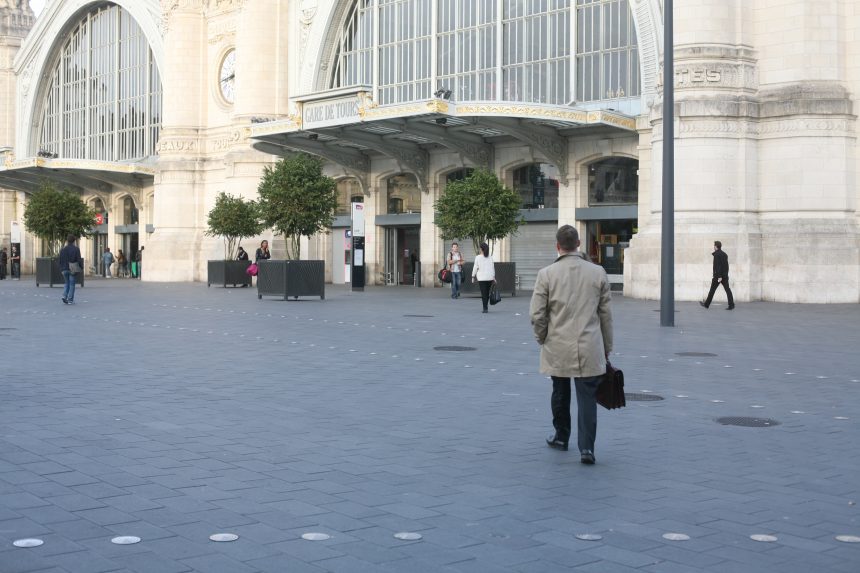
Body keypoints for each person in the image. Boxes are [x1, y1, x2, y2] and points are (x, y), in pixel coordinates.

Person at [530, 225, 613, 464]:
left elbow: (537, 314)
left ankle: (561, 436)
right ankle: (587, 448)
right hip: (589, 344)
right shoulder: (598, 272)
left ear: (558, 246)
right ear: (578, 244)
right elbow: (606, 314)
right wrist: (606, 345)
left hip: (557, 343)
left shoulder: (546, 274)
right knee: (587, 396)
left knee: (560, 389)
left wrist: (542, 337)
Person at [700, 240, 734, 310]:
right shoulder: (724, 254)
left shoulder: (717, 255)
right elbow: (726, 266)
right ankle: (731, 305)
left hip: (718, 277)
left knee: (712, 290)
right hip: (724, 276)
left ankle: (706, 304)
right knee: (728, 290)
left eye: (714, 246)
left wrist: (719, 276)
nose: (713, 247)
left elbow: (717, 266)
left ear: (716, 246)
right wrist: (725, 275)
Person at [471, 242, 495, 313]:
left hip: (482, 278)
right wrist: (493, 277)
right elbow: (492, 268)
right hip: (490, 277)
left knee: (484, 293)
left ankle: (485, 308)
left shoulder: (478, 257)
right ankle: (486, 306)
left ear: (481, 249)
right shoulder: (490, 257)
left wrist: (473, 276)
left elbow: (475, 268)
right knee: (487, 293)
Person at [58, 234, 82, 305]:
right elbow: (79, 260)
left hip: (64, 268)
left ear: (67, 240)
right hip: (72, 269)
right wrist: (81, 267)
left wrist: (61, 268)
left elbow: (60, 260)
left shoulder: (63, 249)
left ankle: (64, 296)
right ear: (74, 241)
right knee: (72, 284)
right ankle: (70, 299)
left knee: (66, 283)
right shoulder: (76, 249)